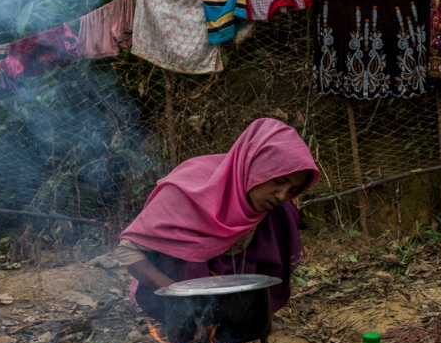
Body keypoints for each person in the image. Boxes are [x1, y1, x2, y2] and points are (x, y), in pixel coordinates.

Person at [116, 118, 319, 321]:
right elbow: (127, 251)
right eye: (278, 181)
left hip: (230, 301)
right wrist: (178, 296)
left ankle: (234, 317)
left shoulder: (276, 207)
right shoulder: (186, 193)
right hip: (180, 298)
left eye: (293, 190)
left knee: (286, 212)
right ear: (253, 166)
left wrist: (287, 191)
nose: (281, 196)